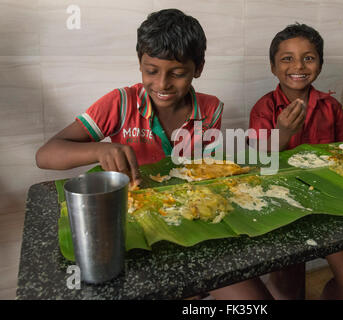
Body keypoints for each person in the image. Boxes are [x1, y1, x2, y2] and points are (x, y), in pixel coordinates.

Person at [36, 8, 272, 300]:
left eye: (178, 73)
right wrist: (100, 149)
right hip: (136, 231)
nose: (162, 84)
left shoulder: (211, 111)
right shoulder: (120, 103)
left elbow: (202, 171)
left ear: (197, 68)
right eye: (152, 71)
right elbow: (46, 154)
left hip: (193, 227)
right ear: (140, 64)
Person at [248, 23, 343, 300]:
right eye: (287, 58)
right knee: (288, 290)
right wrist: (283, 133)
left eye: (309, 57)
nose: (298, 65)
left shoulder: (331, 107)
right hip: (282, 206)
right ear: (273, 67)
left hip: (328, 204)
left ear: (320, 64)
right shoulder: (264, 108)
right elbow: (257, 165)